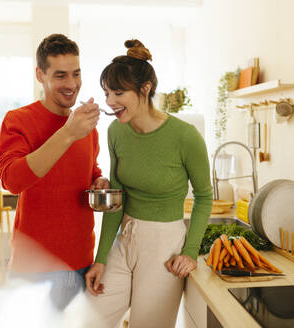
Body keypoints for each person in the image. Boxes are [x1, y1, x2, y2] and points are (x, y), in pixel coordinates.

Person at [84, 39, 213, 327]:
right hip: (125, 239)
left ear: (144, 89)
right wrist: (101, 257)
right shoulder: (117, 131)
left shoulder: (185, 136)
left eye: (118, 92)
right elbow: (117, 198)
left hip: (163, 246)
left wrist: (190, 252)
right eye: (106, 93)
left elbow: (204, 197)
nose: (109, 102)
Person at [0, 34, 109, 311]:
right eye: (60, 75)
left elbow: (89, 169)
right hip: (35, 269)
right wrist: (68, 133)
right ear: (40, 74)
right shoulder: (18, 120)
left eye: (76, 73)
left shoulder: (85, 125)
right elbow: (12, 179)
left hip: (83, 263)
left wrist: (99, 181)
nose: (71, 84)